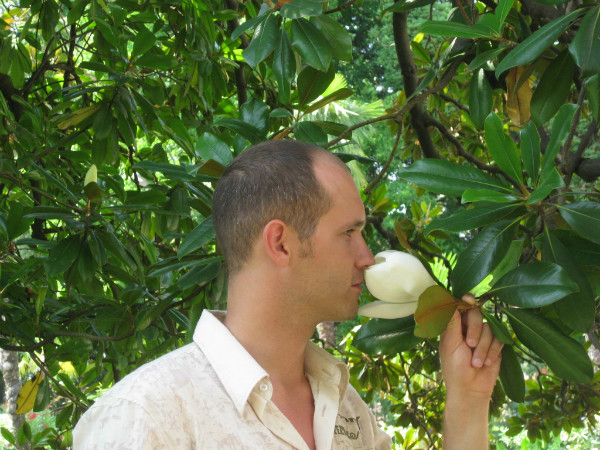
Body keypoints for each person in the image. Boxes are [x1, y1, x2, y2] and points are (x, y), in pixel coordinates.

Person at [73, 140, 503, 450]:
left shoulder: (346, 408)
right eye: (349, 233)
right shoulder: (147, 415)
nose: (367, 257)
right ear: (280, 243)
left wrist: (467, 401)